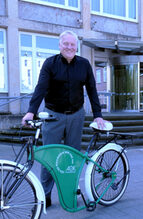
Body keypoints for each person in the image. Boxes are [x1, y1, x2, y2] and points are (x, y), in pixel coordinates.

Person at [22, 30, 106, 207]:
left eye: (72, 44)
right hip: (53, 115)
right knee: (49, 156)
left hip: (76, 115)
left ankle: (69, 193)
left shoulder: (84, 65)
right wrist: (31, 111)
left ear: (77, 46)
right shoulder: (50, 64)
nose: (69, 47)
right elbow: (41, 88)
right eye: (65, 44)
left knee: (72, 157)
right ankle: (46, 195)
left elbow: (92, 90)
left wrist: (98, 115)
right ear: (60, 45)